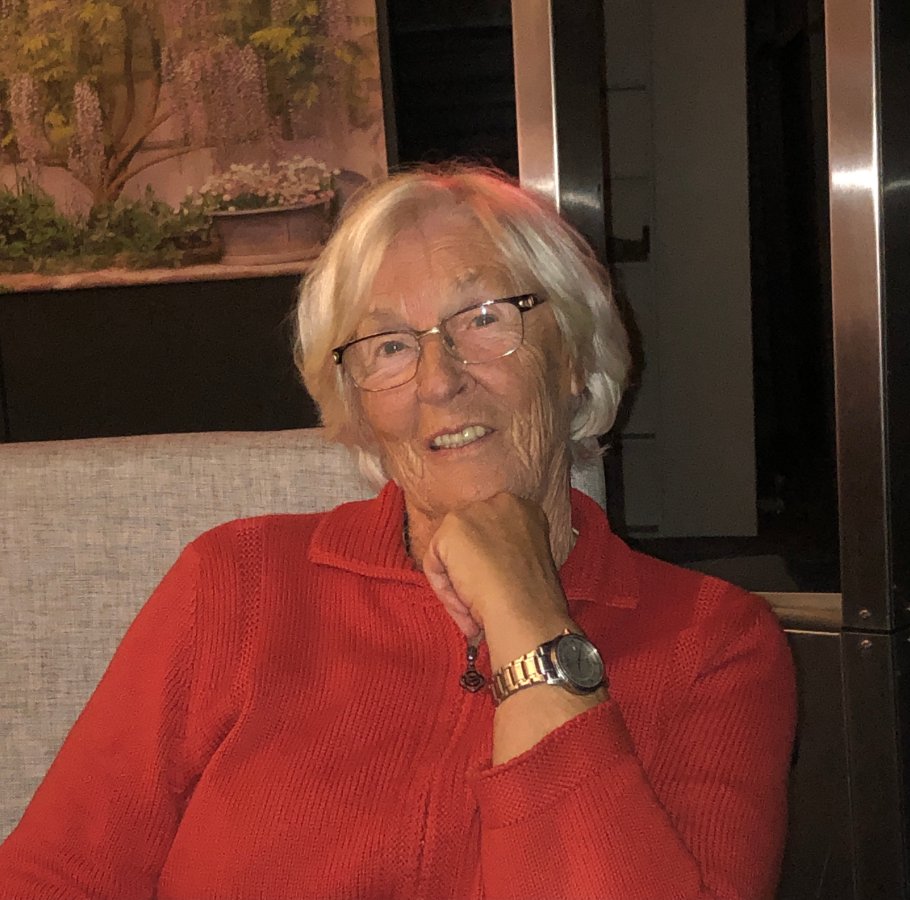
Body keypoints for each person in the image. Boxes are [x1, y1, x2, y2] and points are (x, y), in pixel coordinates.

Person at [0, 165, 796, 899]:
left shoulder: (713, 643)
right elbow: (53, 877)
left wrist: (529, 620)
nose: (438, 380)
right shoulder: (236, 582)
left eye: (484, 318)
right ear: (356, 405)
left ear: (573, 358)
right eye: (389, 347)